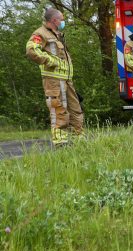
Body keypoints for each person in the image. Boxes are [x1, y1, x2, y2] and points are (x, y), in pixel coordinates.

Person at [26, 8, 84, 147]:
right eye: (62, 19)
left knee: (76, 110)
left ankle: (79, 142)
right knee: (59, 112)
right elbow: (30, 50)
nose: (63, 21)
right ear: (54, 20)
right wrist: (50, 60)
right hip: (53, 81)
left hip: (66, 80)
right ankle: (61, 145)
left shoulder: (57, 34)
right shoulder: (40, 33)